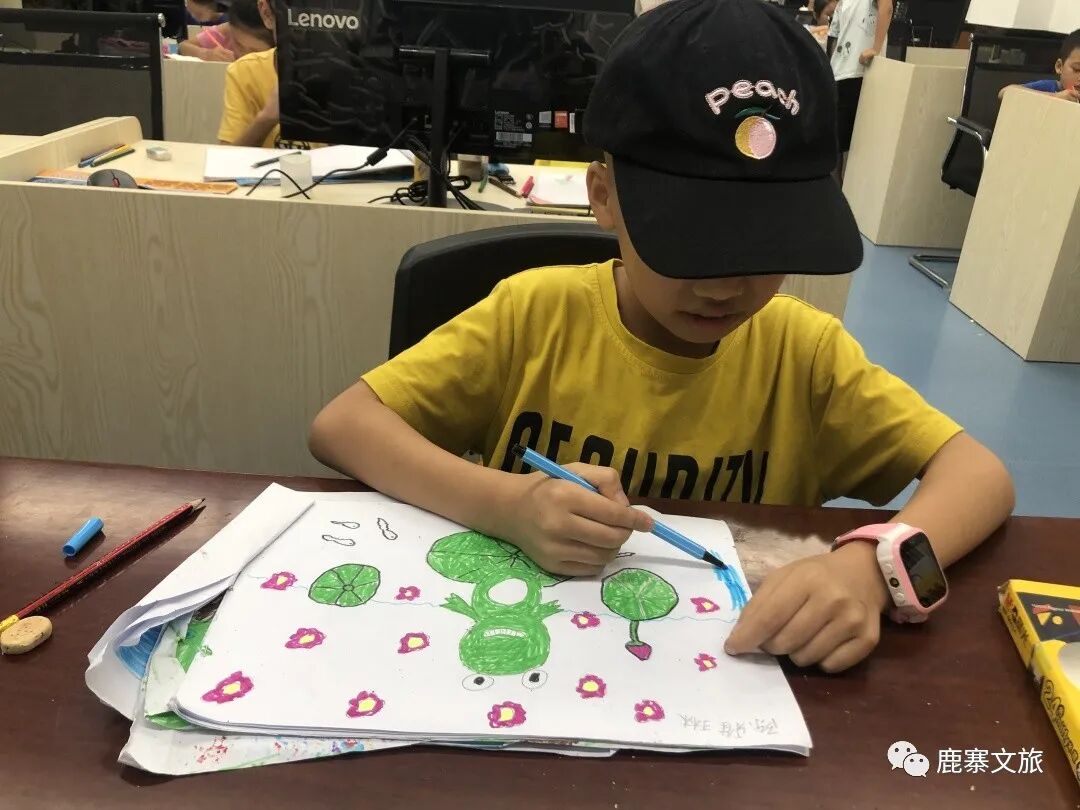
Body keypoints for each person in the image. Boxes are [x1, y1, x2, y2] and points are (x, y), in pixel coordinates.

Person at [308, 0, 1013, 674]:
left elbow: (981, 477)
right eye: (690, 241)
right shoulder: (532, 316)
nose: (724, 286)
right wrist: (508, 507)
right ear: (603, 196)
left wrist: (868, 569)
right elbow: (342, 427)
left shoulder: (804, 354)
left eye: (769, 244)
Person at [217, 0, 311, 148]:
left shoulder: (347, 71)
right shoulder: (245, 71)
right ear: (266, 13)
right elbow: (228, 158)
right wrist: (266, 118)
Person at [828, 0, 893, 175]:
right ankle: (837, 189)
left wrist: (876, 49)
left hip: (860, 73)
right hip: (840, 74)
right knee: (836, 144)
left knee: (854, 147)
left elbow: (886, 7)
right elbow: (834, 36)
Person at [998, 29, 1080, 104]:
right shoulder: (1048, 87)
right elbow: (1004, 93)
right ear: (1059, 66)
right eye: (1077, 69)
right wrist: (1055, 97)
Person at [179, 0, 273, 63]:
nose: (244, 57)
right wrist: (206, 54)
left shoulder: (277, 33)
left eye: (255, 51)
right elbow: (183, 46)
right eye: (239, 45)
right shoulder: (227, 30)